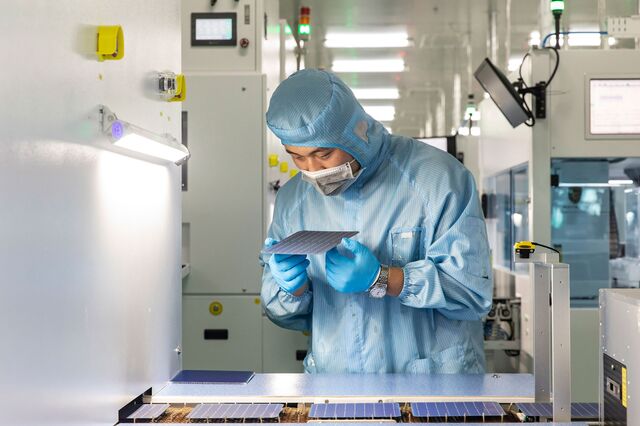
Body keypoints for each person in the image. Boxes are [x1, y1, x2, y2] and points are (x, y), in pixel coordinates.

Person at [260, 69, 492, 374]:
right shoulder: (293, 201)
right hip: (337, 390)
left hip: (433, 391)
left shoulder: (438, 180)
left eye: (324, 153)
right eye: (297, 157)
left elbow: (472, 294)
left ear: (354, 133)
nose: (312, 169)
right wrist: (293, 289)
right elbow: (284, 314)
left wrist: (384, 278)